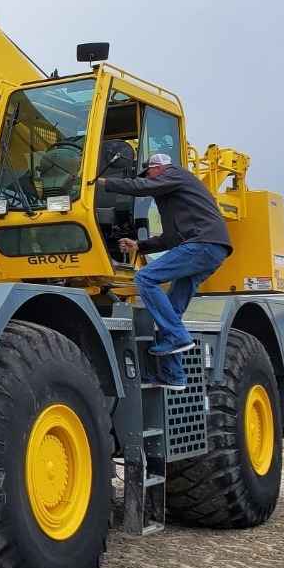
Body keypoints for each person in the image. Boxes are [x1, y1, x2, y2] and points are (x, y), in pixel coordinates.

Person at [99, 152, 232, 390]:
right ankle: (174, 376)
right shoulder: (175, 199)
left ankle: (178, 337)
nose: (148, 178)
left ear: (158, 168)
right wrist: (139, 245)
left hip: (203, 245)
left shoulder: (176, 174)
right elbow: (171, 238)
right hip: (210, 248)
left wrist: (104, 182)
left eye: (148, 173)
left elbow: (142, 186)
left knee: (145, 278)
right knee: (171, 311)